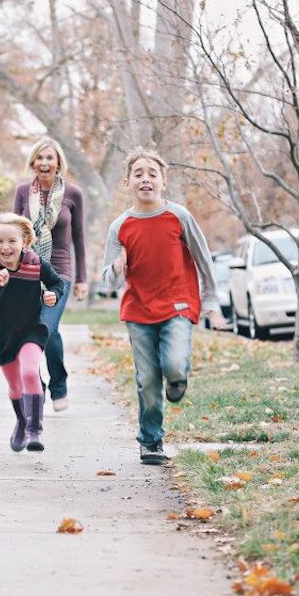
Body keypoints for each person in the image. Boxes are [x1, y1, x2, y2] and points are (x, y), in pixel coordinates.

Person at [100, 148, 228, 466]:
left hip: (177, 303)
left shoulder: (179, 216)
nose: (146, 179)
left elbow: (204, 259)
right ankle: (151, 441)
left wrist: (212, 302)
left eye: (152, 174)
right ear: (127, 183)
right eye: (138, 174)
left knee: (172, 365)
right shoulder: (120, 226)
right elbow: (109, 282)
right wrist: (117, 267)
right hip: (138, 310)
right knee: (147, 379)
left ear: (163, 181)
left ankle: (178, 376)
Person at [0, 213, 67, 452]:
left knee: (29, 373)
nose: (5, 247)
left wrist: (53, 295)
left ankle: (34, 430)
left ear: (24, 242)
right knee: (16, 387)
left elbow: (57, 283)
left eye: (12, 241)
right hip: (4, 337)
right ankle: (22, 421)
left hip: (31, 330)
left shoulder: (35, 263)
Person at [11, 137, 87, 412]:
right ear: (33, 162)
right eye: (40, 158)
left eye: (49, 158)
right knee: (30, 329)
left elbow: (78, 238)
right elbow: (13, 234)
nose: (44, 163)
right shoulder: (22, 192)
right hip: (28, 271)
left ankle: (59, 385)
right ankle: (36, 386)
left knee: (47, 326)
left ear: (58, 163)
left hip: (59, 273)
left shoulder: (73, 194)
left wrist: (81, 279)